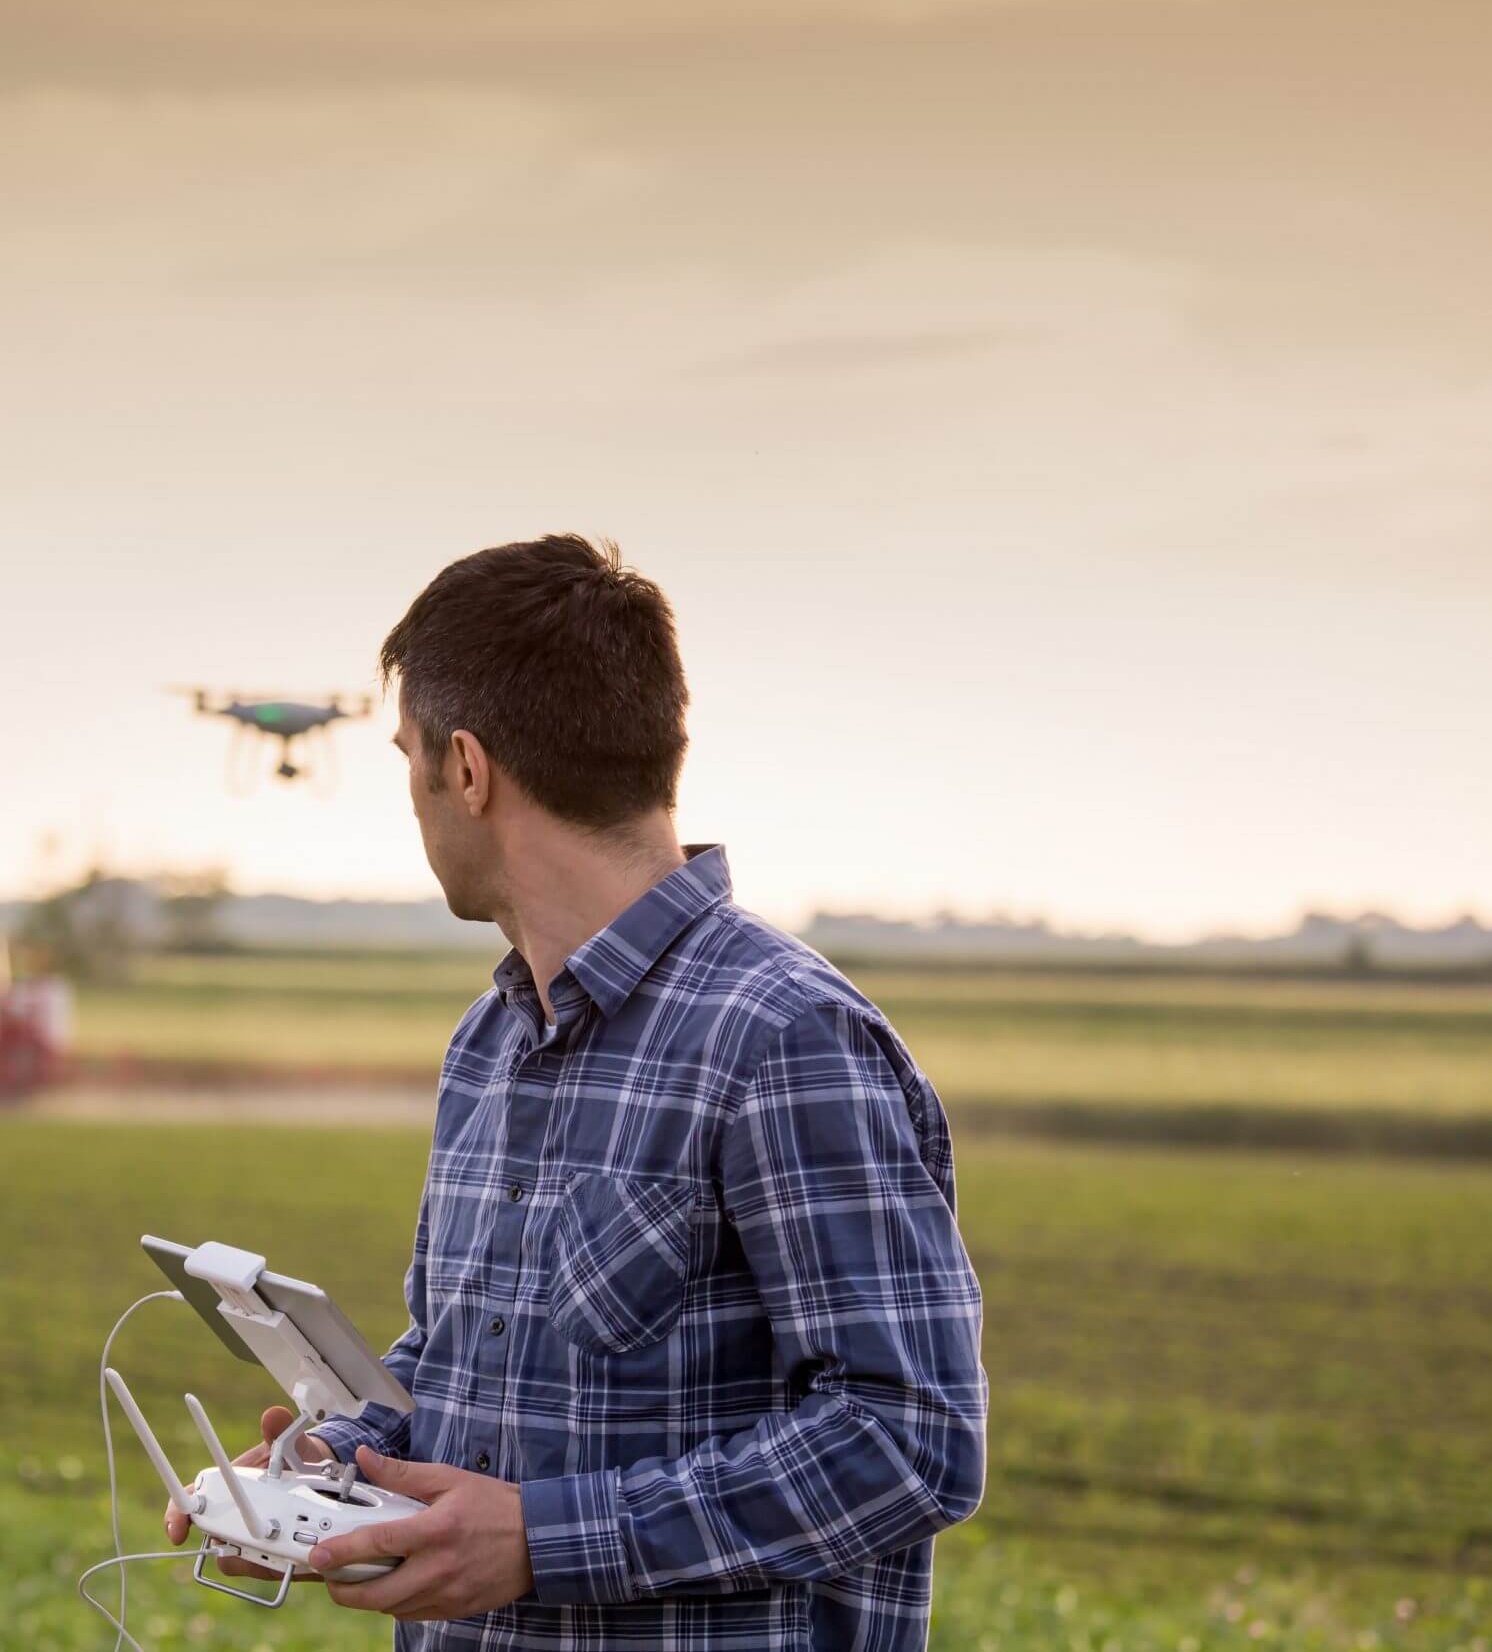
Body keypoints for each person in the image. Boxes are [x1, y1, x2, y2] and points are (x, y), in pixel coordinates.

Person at [169, 534, 988, 1647]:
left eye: (408, 760)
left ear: (466, 769)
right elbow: (468, 1360)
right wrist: (335, 1460)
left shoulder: (783, 1035)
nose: (414, 803)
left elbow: (909, 1441)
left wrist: (545, 1539)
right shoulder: (490, 1041)